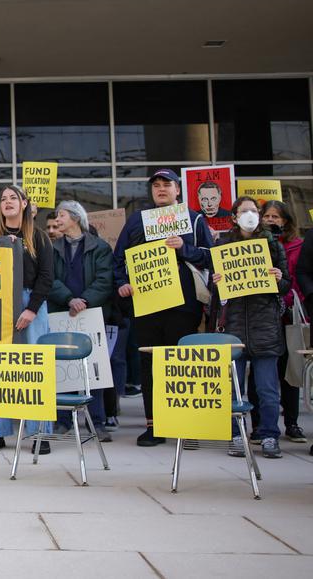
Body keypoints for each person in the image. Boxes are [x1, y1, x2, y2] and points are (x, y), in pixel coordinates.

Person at [113, 169, 213, 447]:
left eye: (166, 184)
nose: (160, 189)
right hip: (147, 304)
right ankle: (154, 425)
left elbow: (211, 256)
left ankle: (185, 424)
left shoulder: (194, 220)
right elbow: (119, 258)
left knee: (182, 364)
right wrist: (123, 283)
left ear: (178, 190)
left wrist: (184, 248)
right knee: (150, 365)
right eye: (156, 185)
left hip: (183, 305)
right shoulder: (137, 221)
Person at [0, 186, 55, 453]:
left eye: (13, 198)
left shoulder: (40, 237)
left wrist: (31, 309)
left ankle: (39, 433)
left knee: (36, 367)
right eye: (3, 199)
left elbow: (47, 277)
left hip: (30, 304)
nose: (8, 202)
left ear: (24, 204)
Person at [212, 197, 289, 459]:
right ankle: (236, 435)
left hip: (265, 327)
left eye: (254, 211)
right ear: (234, 217)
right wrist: (217, 281)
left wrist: (279, 279)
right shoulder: (223, 245)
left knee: (268, 389)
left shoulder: (273, 245)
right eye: (244, 211)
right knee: (233, 390)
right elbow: (216, 293)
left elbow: (286, 286)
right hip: (234, 326)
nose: (250, 215)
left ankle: (269, 435)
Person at [46, 200, 114, 441]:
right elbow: (49, 279)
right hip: (63, 314)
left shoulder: (100, 247)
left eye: (62, 215)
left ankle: (97, 422)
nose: (57, 220)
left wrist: (84, 300)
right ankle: (63, 421)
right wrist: (68, 299)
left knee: (94, 371)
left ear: (75, 218)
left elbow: (105, 280)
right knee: (64, 368)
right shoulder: (52, 248)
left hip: (91, 315)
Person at [259, 200, 305, 443]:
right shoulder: (256, 245)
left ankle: (292, 422)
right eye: (267, 215)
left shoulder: (298, 246)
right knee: (264, 374)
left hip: (288, 315)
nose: (271, 220)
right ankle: (262, 425)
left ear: (285, 220)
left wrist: (286, 297)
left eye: (276, 216)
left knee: (290, 371)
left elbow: (298, 277)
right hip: (263, 316)